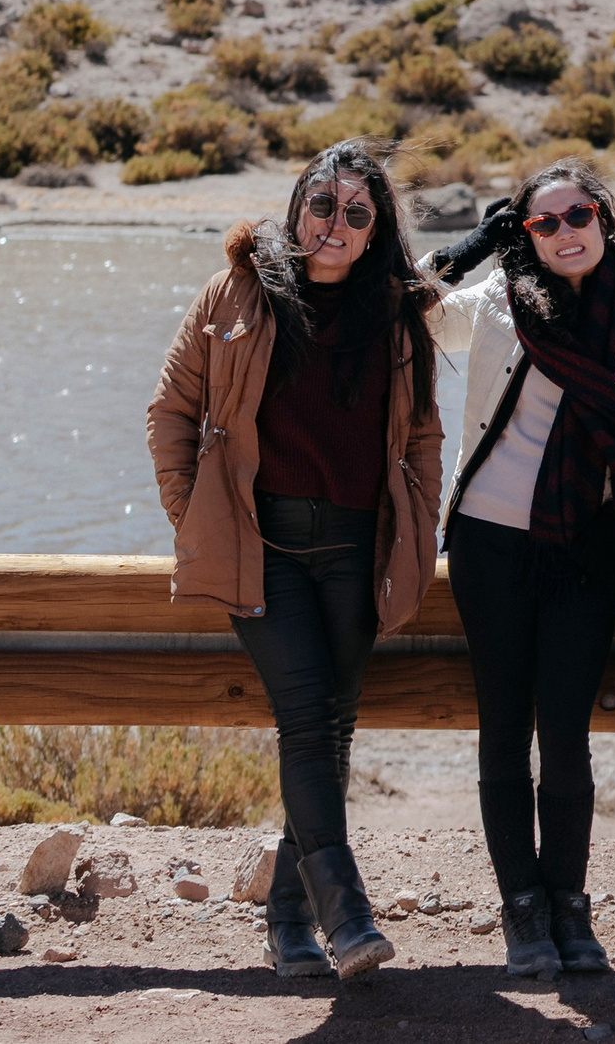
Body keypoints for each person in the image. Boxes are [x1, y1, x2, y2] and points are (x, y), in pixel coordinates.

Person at [146, 141, 443, 980]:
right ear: (296, 205)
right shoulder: (237, 292)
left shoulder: (395, 312)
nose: (334, 225)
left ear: (375, 227)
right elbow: (171, 411)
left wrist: (418, 531)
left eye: (356, 212)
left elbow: (421, 436)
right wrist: (196, 518)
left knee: (332, 729)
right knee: (311, 721)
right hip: (261, 543)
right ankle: (347, 916)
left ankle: (287, 922)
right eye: (323, 204)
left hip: (355, 544)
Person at [423, 162, 615, 979]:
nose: (565, 231)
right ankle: (523, 908)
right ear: (525, 234)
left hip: (589, 547)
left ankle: (570, 904)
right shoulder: (496, 305)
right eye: (542, 224)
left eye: (578, 214)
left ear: (604, 217)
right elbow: (412, 298)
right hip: (489, 545)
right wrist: (481, 242)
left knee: (566, 734)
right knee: (503, 729)